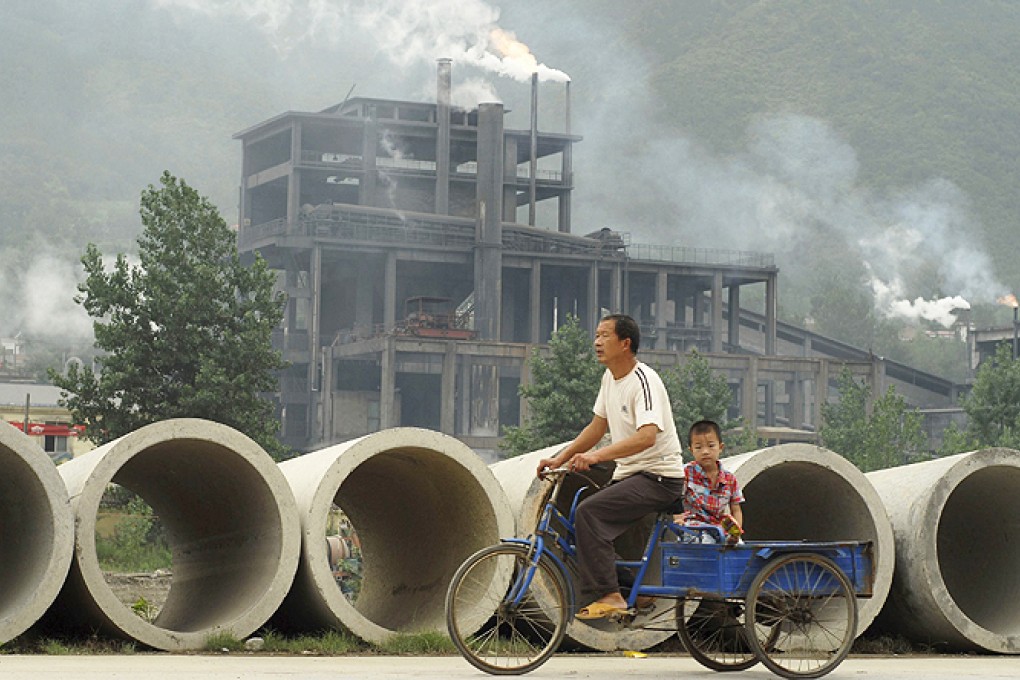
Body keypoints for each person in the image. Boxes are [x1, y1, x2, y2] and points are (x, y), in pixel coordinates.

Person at [536, 314, 684, 620]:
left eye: (604, 336)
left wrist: (596, 457)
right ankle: (636, 591)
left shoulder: (644, 381)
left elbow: (646, 437)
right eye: (596, 336)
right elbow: (596, 428)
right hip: (631, 475)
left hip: (659, 477)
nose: (597, 342)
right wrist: (559, 459)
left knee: (590, 513)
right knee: (580, 525)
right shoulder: (609, 379)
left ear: (625, 343)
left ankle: (612, 596)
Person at [675, 419, 744, 543]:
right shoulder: (685, 473)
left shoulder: (730, 479)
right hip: (693, 527)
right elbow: (676, 499)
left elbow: (736, 509)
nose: (705, 452)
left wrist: (736, 532)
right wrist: (679, 519)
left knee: (739, 546)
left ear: (720, 447)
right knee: (707, 542)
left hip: (719, 527)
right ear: (691, 450)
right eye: (698, 447)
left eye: (711, 446)